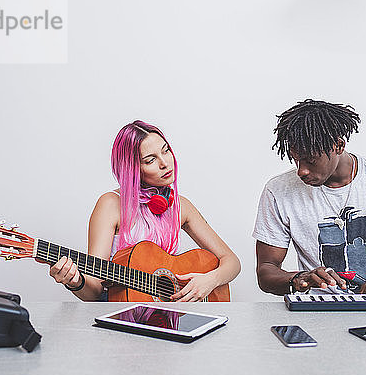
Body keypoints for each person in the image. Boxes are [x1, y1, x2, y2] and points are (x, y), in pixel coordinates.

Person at [253, 100, 366, 297]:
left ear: (338, 145)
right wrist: (298, 279)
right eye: (296, 159)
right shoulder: (278, 190)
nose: (301, 170)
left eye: (311, 160)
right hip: (317, 313)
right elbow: (266, 270)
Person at [49, 120, 241, 301]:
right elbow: (95, 290)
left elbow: (232, 262)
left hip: (169, 315)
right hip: (124, 317)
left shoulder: (181, 207)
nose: (165, 163)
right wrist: (76, 282)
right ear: (131, 169)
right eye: (150, 160)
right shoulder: (111, 205)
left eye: (166, 151)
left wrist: (209, 281)